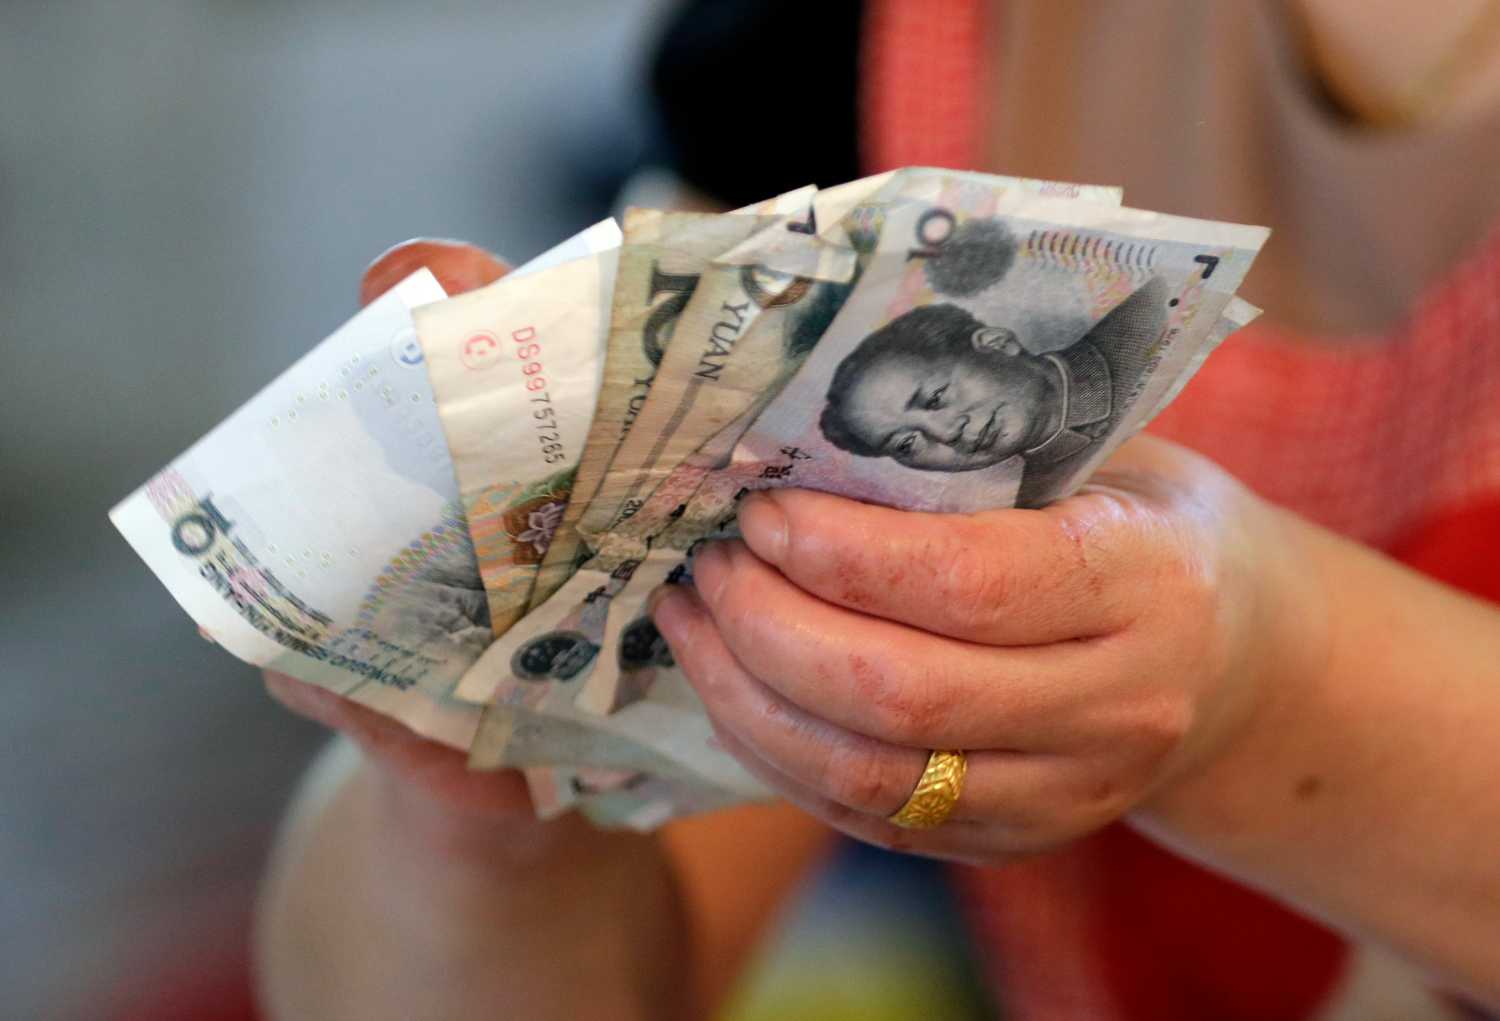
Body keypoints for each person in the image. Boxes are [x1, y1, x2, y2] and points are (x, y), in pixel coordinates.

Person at [255, 1, 1500, 1018]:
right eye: (905, 438)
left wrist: (1268, 686)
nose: (936, 443)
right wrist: (489, 787)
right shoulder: (835, 44)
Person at [818, 278, 1168, 506]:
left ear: (996, 343)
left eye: (936, 398)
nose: (945, 433)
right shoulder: (1029, 508)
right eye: (906, 444)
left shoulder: (1148, 318)